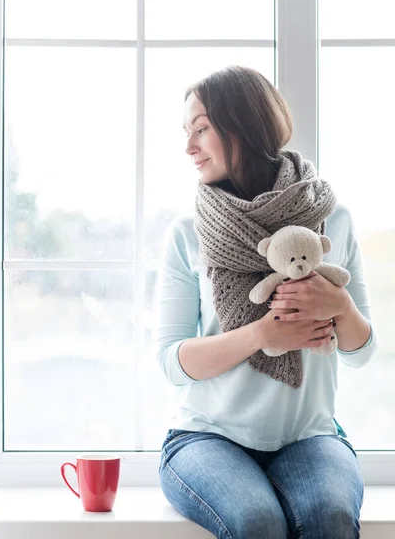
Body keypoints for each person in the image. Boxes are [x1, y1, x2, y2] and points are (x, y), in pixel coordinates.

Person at [154, 65, 377, 539]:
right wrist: (263, 334)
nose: (188, 147)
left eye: (201, 129)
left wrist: (337, 304)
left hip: (309, 436)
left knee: (332, 518)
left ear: (243, 125)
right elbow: (171, 361)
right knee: (257, 523)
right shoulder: (186, 234)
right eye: (186, 132)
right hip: (205, 438)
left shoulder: (331, 222)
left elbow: (361, 352)